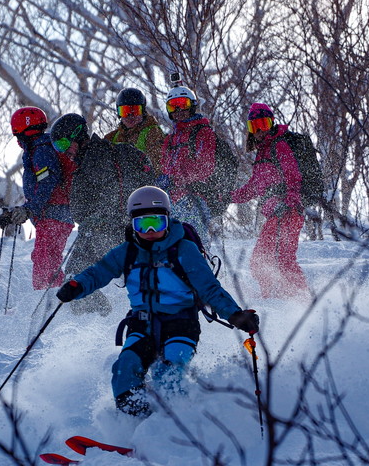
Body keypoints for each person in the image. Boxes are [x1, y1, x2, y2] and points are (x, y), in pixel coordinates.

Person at [55, 186, 259, 417]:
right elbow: (98, 272)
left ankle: (173, 424)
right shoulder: (127, 252)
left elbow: (209, 289)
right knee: (125, 368)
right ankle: (137, 420)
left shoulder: (184, 250)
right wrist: (77, 286)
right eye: (142, 225)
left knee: (169, 369)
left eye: (157, 223)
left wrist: (235, 315)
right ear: (133, 225)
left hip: (181, 323)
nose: (150, 230)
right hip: (142, 324)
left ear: (168, 220)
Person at [52, 112, 156, 315]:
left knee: (76, 275)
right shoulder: (106, 154)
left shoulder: (94, 159)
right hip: (126, 228)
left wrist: (103, 217)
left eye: (64, 144)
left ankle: (98, 317)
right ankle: (100, 315)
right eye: (58, 148)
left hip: (110, 230)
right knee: (80, 273)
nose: (64, 152)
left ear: (77, 135)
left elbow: (109, 193)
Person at [230, 103, 311, 300]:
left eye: (263, 124)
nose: (259, 131)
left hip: (287, 211)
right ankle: (277, 296)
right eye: (254, 126)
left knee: (279, 259)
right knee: (264, 259)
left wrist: (289, 202)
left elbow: (294, 175)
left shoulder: (279, 145)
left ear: (271, 123)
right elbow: (254, 186)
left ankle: (299, 299)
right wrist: (229, 196)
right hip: (277, 212)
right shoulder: (263, 153)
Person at [0, 106, 75, 289]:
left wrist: (30, 209)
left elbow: (47, 181)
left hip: (54, 213)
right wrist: (25, 209)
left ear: (19, 133)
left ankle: (48, 299)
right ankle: (55, 296)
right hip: (56, 212)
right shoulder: (42, 147)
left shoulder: (41, 150)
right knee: (47, 257)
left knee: (45, 259)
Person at [160, 84, 220, 244]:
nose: (179, 110)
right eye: (173, 106)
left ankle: (200, 264)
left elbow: (205, 167)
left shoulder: (202, 132)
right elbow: (165, 165)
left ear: (192, 106)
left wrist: (178, 178)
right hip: (171, 199)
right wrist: (164, 179)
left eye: (183, 104)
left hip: (195, 197)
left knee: (192, 239)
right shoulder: (171, 138)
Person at [104, 88, 166, 177]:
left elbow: (157, 164)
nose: (130, 116)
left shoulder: (152, 132)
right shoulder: (112, 137)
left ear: (143, 111)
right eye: (125, 111)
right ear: (119, 113)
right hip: (120, 186)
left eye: (135, 111)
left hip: (145, 184)